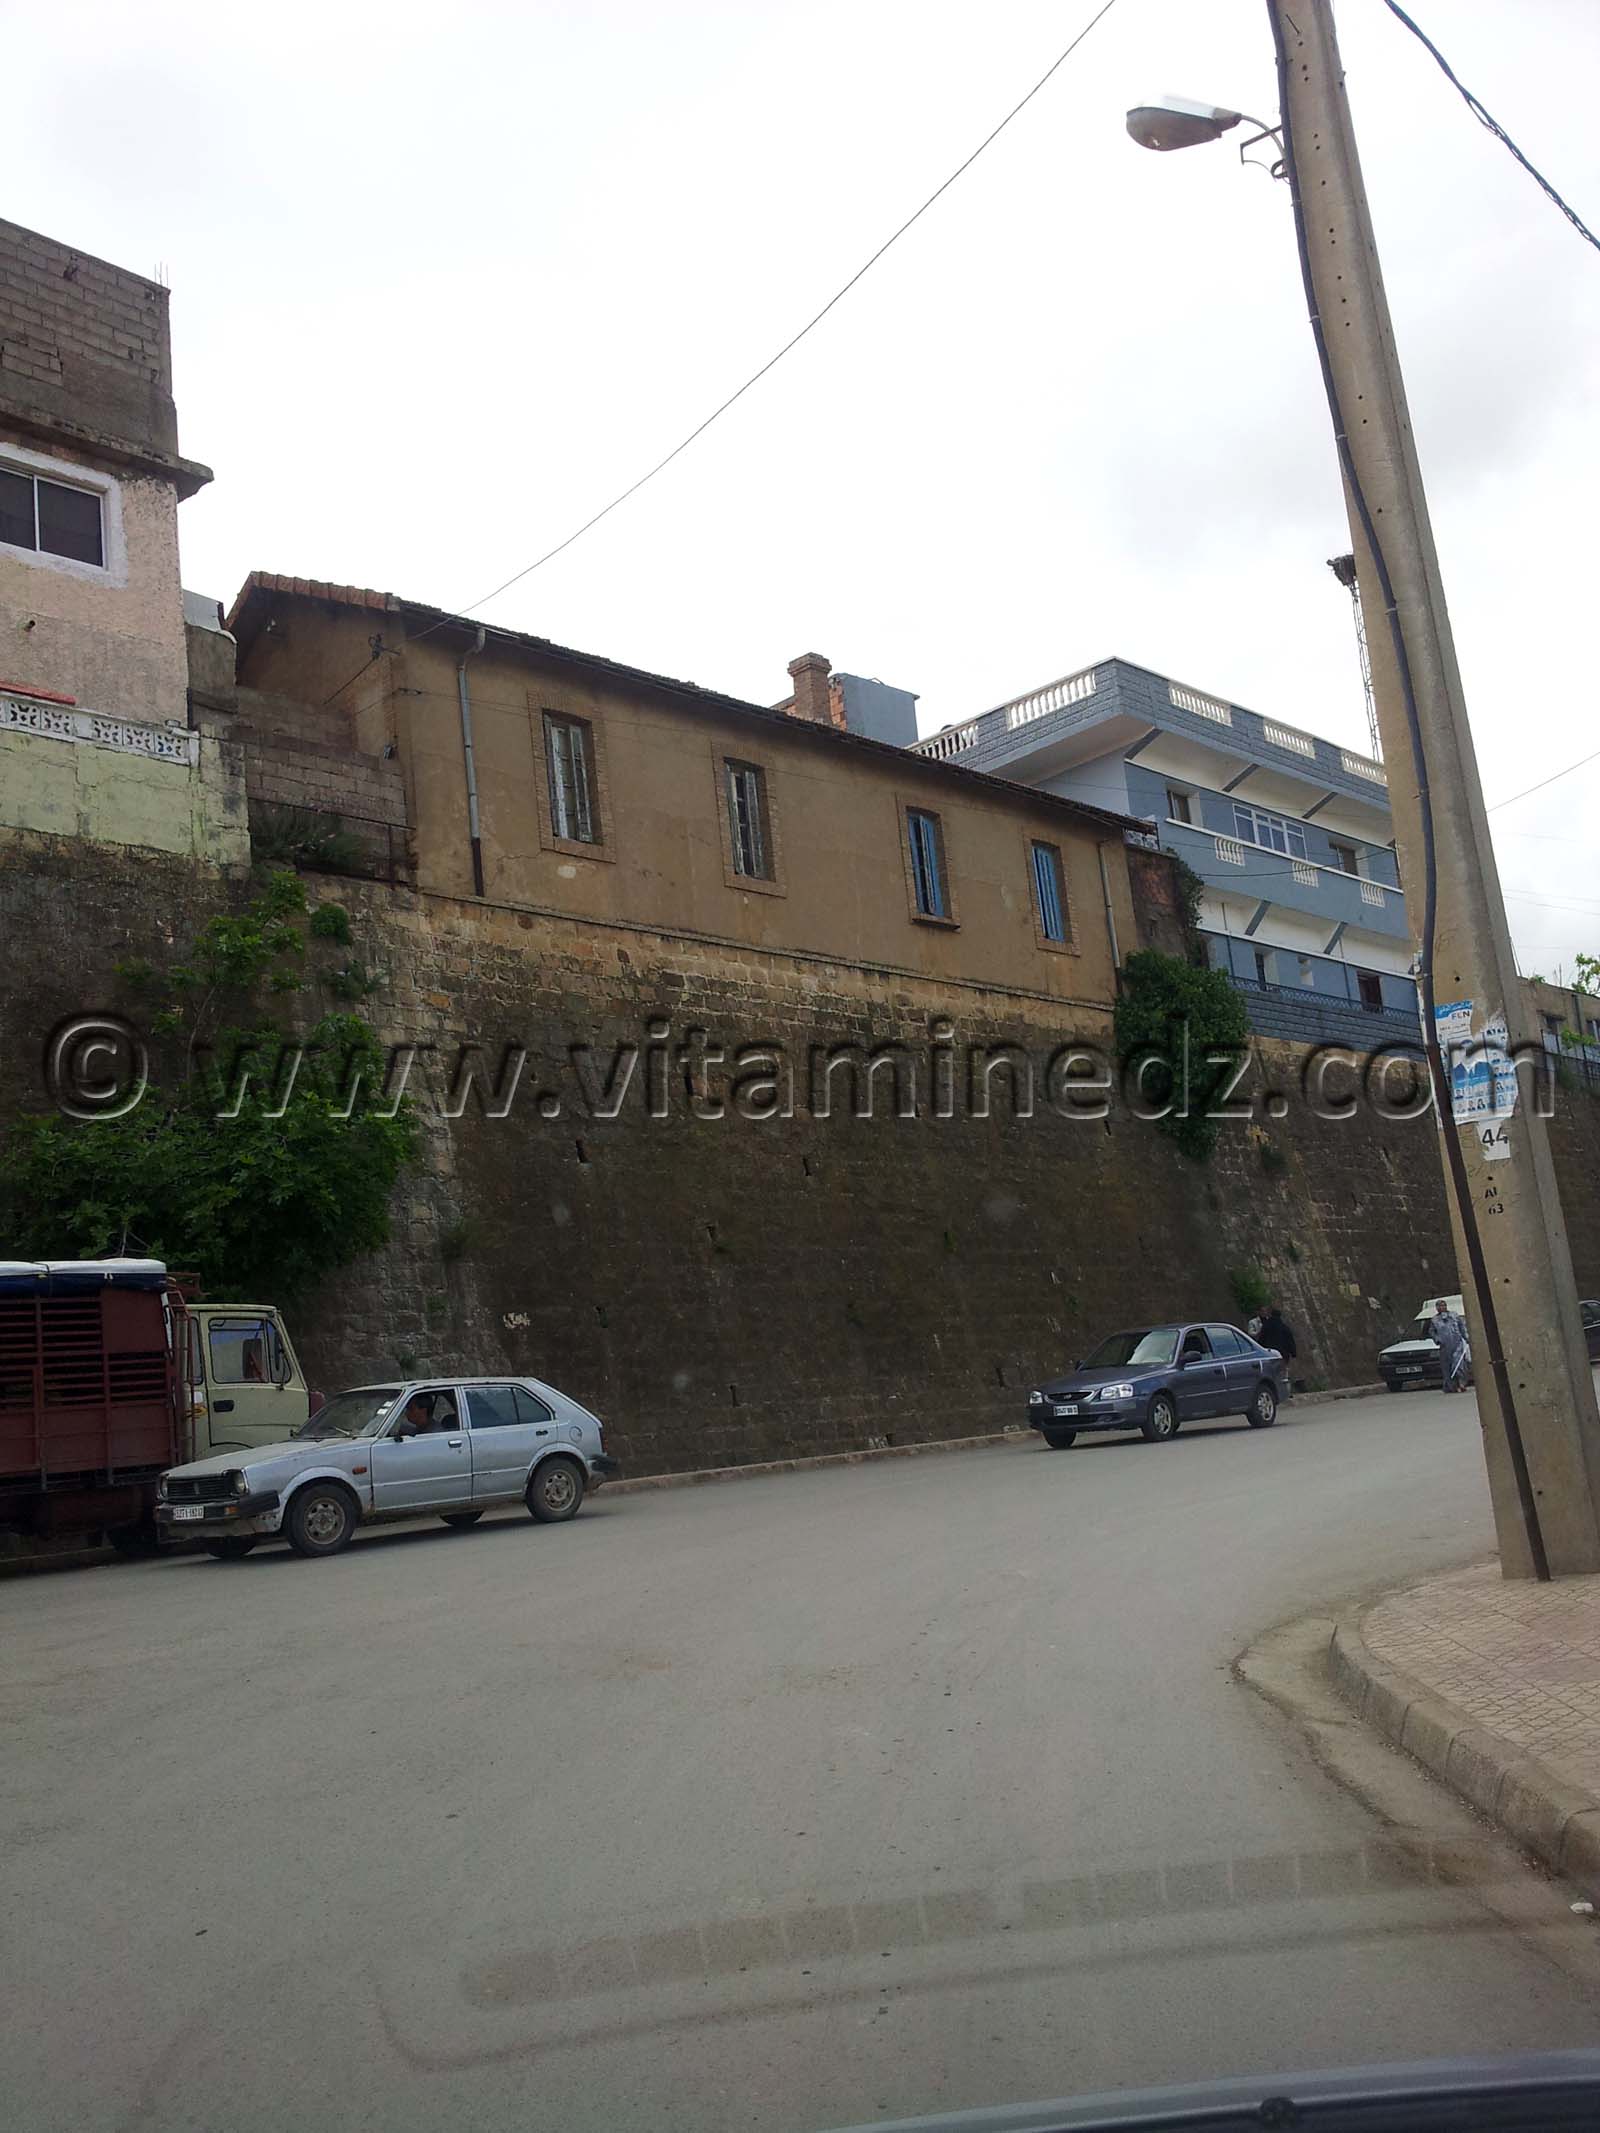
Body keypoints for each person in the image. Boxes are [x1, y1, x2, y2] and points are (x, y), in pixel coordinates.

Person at [1430, 1299, 1470, 1393]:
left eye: (1443, 1305)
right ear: (1436, 1308)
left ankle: (1461, 1383)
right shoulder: (1434, 1319)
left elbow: (1462, 1327)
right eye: (1439, 1306)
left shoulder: (1454, 1315)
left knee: (1458, 1364)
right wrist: (1437, 1339)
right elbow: (1432, 1332)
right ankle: (1451, 1385)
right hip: (1444, 1346)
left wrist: (1466, 1338)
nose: (1441, 1307)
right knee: (1447, 1367)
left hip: (1457, 1344)